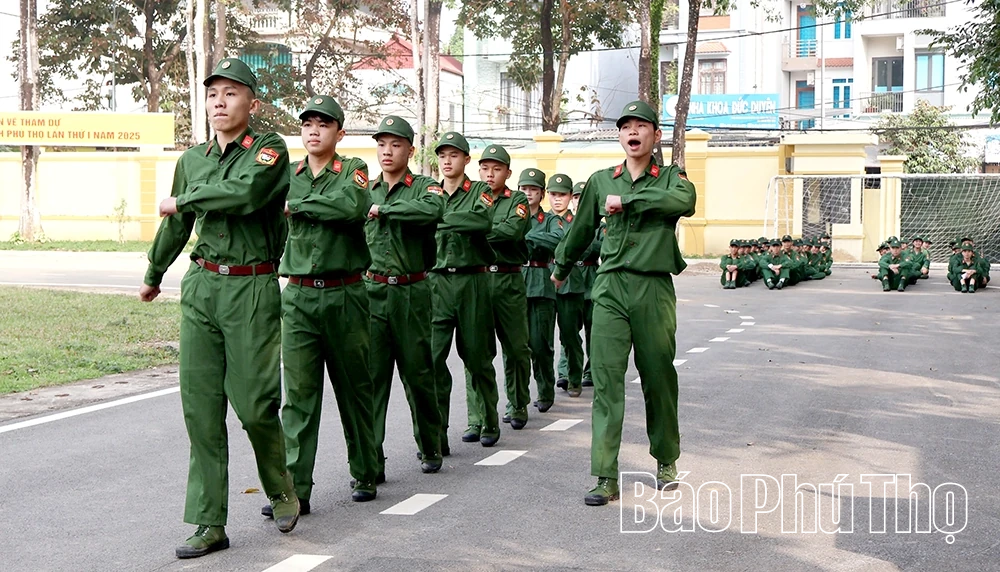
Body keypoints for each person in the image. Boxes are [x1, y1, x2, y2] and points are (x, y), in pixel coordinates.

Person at [139, 58, 299, 559]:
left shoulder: (269, 150)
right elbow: (176, 226)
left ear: (252, 103)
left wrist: (184, 200)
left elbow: (245, 194)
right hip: (202, 285)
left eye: (230, 93)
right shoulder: (192, 159)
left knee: (254, 405)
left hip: (251, 286)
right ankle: (209, 523)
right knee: (201, 410)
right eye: (212, 94)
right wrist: (154, 272)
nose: (219, 103)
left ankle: (281, 488)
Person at [553, 100, 696, 506]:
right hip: (610, 288)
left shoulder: (671, 178)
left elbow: (684, 203)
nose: (633, 132)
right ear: (619, 136)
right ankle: (605, 475)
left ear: (656, 135)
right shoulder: (602, 181)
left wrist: (630, 202)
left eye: (641, 125)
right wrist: (561, 266)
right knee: (606, 383)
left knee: (658, 376)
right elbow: (581, 230)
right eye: (626, 126)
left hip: (653, 288)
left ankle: (666, 458)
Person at [263, 96, 379, 521]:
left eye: (324, 124)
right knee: (298, 398)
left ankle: (365, 472)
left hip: (345, 294)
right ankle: (296, 489)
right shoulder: (287, 174)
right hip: (297, 297)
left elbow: (352, 206)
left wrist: (299, 206)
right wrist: (310, 207)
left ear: (339, 133)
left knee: (354, 389)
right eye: (308, 123)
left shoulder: (354, 170)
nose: (314, 130)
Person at [364, 115, 446, 477]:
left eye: (395, 145)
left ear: (410, 151)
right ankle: (371, 461)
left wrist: (385, 210)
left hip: (411, 291)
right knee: (372, 379)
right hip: (372, 291)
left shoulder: (425, 187)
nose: (387, 151)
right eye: (382, 144)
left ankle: (430, 444)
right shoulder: (365, 188)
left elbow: (432, 211)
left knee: (418, 373)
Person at [430, 132, 501, 449]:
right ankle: (437, 432)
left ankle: (489, 419)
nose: (447, 161)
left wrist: (438, 218)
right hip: (437, 283)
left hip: (472, 281)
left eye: (454, 155)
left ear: (466, 159)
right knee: (433, 359)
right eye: (442, 155)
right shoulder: (430, 192)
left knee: (477, 358)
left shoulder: (480, 191)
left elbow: (481, 221)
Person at [475, 145, 532, 430]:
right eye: (485, 168)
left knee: (517, 348)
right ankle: (479, 417)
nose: (490, 174)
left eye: (496, 169)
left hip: (508, 281)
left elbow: (512, 231)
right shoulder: (472, 196)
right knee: (477, 351)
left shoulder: (517, 199)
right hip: (478, 280)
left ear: (507, 173)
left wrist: (474, 230)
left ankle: (518, 402)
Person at [519, 168, 563, 414]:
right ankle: (517, 401)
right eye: (524, 189)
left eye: (533, 189)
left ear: (542, 193)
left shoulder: (550, 220)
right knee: (516, 348)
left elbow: (558, 239)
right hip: (515, 283)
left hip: (541, 284)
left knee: (540, 344)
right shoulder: (513, 215)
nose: (528, 193)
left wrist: (527, 238)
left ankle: (545, 390)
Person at [548, 174, 586, 398]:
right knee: (541, 340)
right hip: (544, 283)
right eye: (553, 194)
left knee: (570, 336)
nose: (557, 199)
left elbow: (584, 246)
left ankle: (574, 377)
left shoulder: (578, 222)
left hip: (571, 282)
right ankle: (547, 385)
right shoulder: (541, 220)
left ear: (570, 196)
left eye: (562, 195)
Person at [575, 181, 602, 388]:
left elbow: (602, 247)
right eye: (576, 197)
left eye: (582, 198)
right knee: (569, 331)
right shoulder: (564, 222)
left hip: (592, 277)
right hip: (571, 278)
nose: (578, 202)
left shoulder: (601, 226)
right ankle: (567, 371)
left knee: (593, 330)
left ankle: (591, 370)